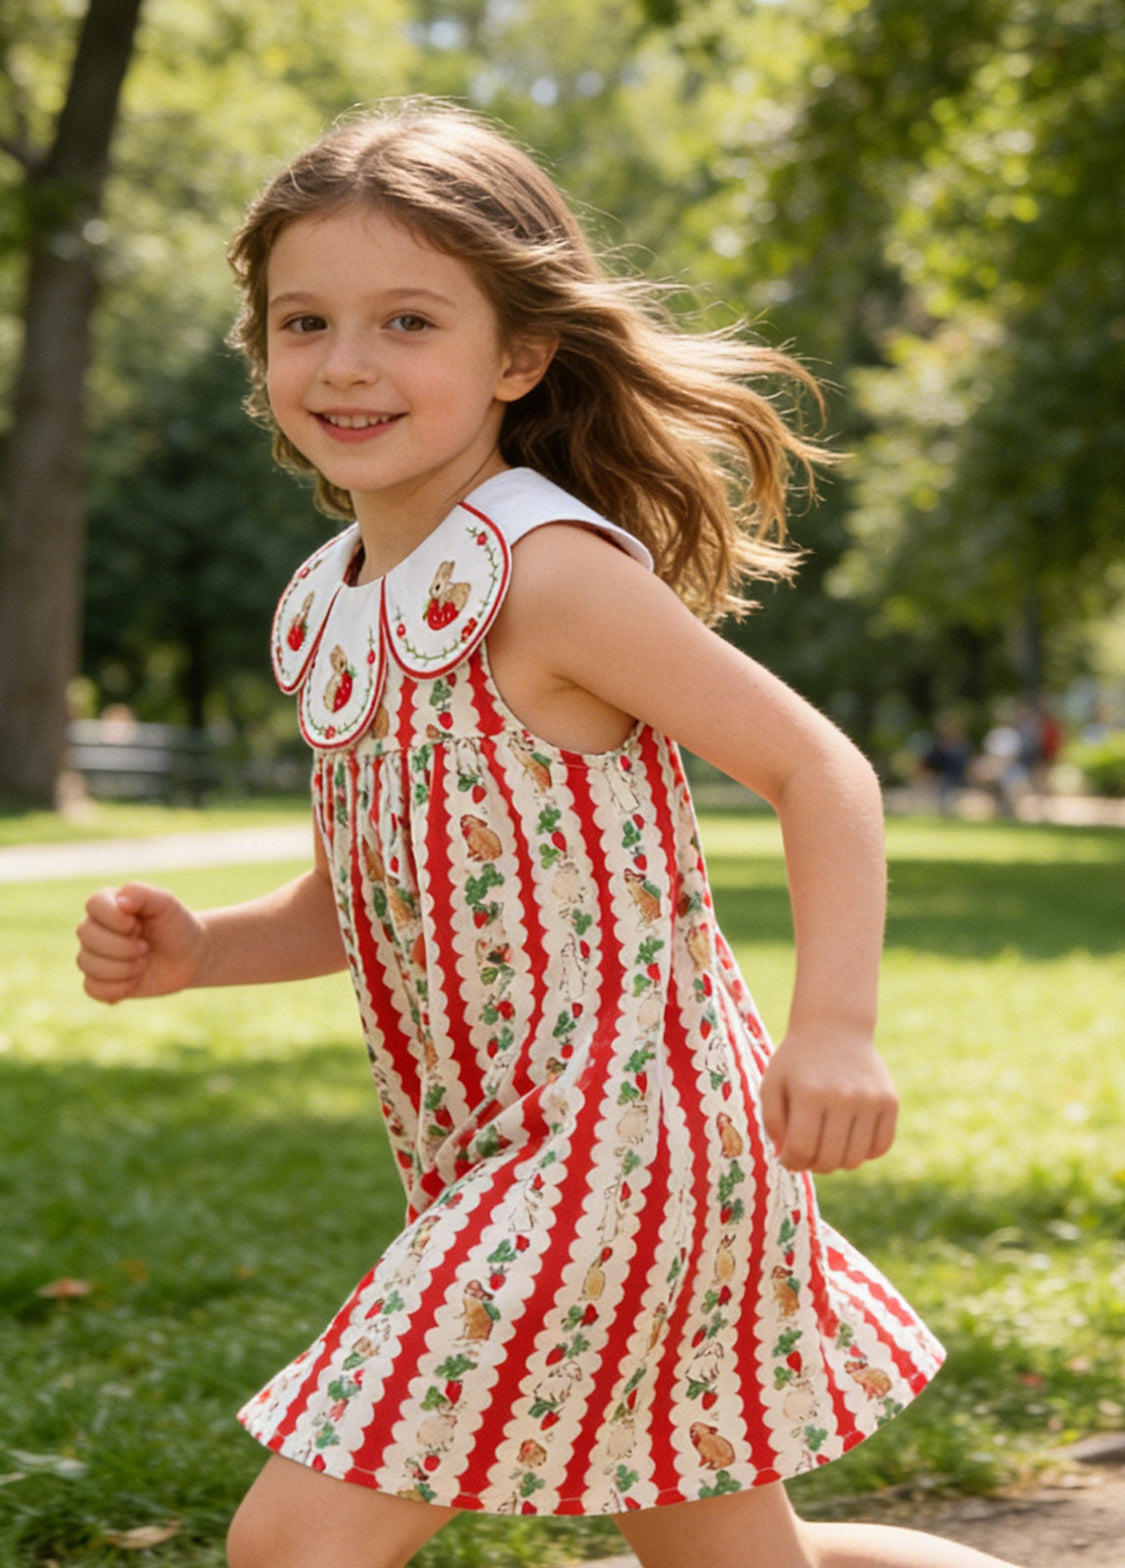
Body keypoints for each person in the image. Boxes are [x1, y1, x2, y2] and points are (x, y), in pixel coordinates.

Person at [76, 101, 1026, 1568]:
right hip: (487, 1156)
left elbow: (820, 772)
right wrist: (199, 952)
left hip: (628, 1150)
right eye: (301, 321)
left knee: (293, 1544)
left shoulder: (544, 570)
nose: (343, 363)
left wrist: (831, 1026)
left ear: (517, 356)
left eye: (406, 321)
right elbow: (364, 902)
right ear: (258, 348)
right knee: (722, 1555)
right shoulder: (330, 607)